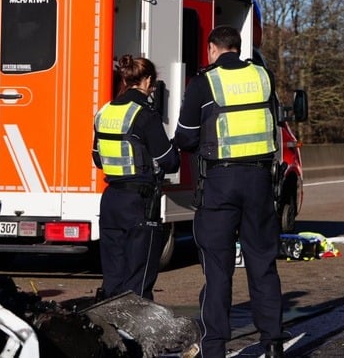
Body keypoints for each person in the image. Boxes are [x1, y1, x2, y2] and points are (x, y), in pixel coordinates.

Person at [171, 26, 284, 358]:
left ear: (211, 49)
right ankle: (273, 342)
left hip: (220, 183)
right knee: (262, 262)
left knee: (217, 268)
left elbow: (186, 137)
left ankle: (215, 347)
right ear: (238, 47)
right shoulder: (264, 77)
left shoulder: (204, 82)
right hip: (260, 181)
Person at [92, 54, 179, 300]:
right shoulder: (145, 114)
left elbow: (98, 159)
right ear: (148, 80)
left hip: (110, 202)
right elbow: (170, 161)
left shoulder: (104, 112)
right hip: (138, 204)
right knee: (138, 282)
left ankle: (110, 329)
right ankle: (135, 335)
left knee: (112, 278)